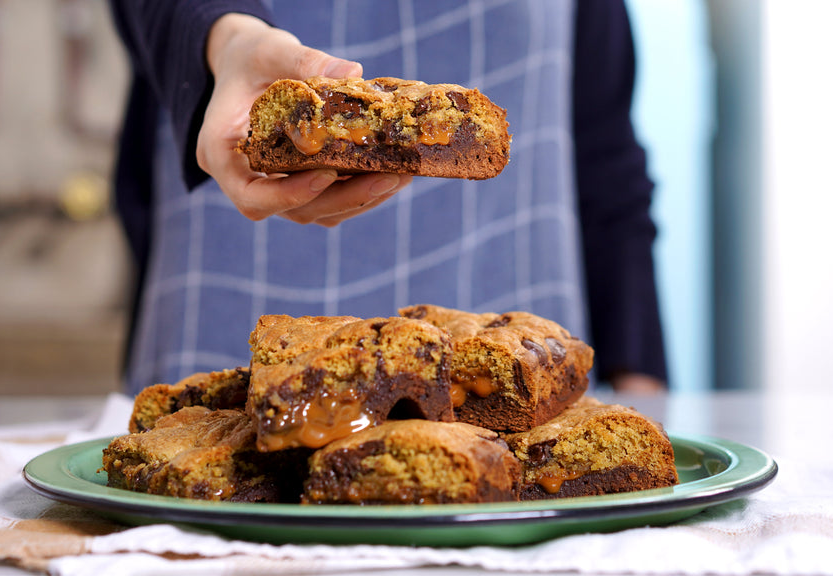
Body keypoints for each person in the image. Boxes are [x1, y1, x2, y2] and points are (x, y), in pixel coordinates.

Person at [108, 0, 667, 395]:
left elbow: (602, 150)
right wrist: (226, 35)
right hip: (224, 310)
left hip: (510, 352)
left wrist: (639, 379)